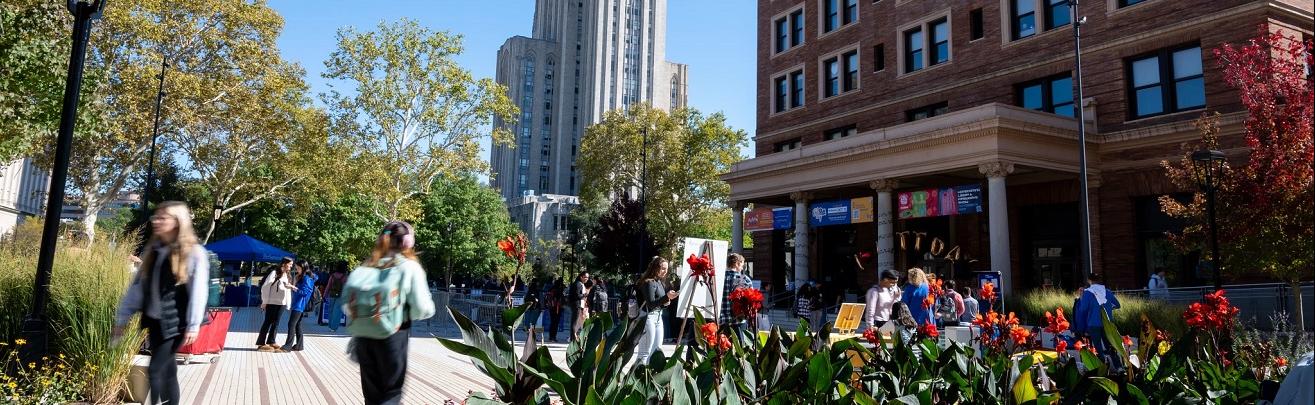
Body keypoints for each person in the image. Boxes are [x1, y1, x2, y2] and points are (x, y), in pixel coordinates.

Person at [113, 201, 210, 405]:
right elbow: (137, 288)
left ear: (177, 222)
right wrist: (122, 317)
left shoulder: (193, 252)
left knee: (156, 369)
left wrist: (193, 325)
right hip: (155, 320)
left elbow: (199, 291)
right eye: (155, 217)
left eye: (162, 217)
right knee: (167, 370)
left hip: (176, 322)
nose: (156, 221)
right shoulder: (154, 249)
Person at [346, 221, 436, 405]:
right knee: (391, 394)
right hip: (393, 335)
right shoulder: (409, 267)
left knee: (371, 396)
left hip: (364, 336)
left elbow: (348, 304)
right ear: (408, 242)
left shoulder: (368, 265)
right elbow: (423, 308)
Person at [635, 257, 680, 365]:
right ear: (656, 268)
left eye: (667, 269)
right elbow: (651, 303)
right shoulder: (649, 282)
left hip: (658, 317)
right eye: (663, 268)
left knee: (656, 350)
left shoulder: (659, 282)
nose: (665, 271)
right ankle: (636, 377)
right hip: (648, 317)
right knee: (645, 352)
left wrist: (666, 301)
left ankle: (648, 377)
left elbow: (658, 302)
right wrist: (666, 298)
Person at [1073, 273, 1123, 369]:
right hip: (1107, 324)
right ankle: (1119, 367)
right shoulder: (1107, 291)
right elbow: (1117, 305)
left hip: (1093, 323)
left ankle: (1102, 369)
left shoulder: (1087, 293)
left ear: (1089, 280)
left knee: (1098, 348)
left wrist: (1082, 297)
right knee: (1110, 346)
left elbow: (1083, 309)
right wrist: (1107, 308)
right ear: (1099, 280)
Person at [257, 258, 295, 351]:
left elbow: (287, 290)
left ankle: (271, 341)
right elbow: (265, 287)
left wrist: (288, 303)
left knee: (276, 322)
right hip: (271, 302)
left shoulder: (287, 274)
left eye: (291, 264)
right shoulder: (274, 273)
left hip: (281, 303)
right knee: (268, 321)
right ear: (284, 264)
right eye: (289, 264)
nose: (291, 266)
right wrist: (265, 301)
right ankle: (261, 343)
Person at [284, 260, 318, 351]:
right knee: (297, 325)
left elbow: (304, 292)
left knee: (291, 324)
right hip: (298, 304)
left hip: (300, 305)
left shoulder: (307, 278)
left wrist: (293, 287)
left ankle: (288, 346)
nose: (296, 269)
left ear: (303, 267)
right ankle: (299, 345)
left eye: (298, 268)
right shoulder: (302, 277)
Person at [719, 253, 752, 329]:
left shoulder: (719, 278)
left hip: (721, 319)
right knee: (739, 341)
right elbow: (750, 301)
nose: (742, 268)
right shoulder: (745, 279)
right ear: (737, 264)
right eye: (742, 265)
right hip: (739, 320)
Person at [323, 262, 348, 330]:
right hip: (341, 296)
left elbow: (328, 286)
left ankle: (330, 326)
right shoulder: (345, 277)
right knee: (337, 312)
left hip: (332, 294)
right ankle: (334, 327)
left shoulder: (333, 275)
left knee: (331, 310)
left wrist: (325, 295)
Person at [570, 272, 591, 341]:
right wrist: (585, 294)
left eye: (587, 277)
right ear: (581, 277)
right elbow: (577, 295)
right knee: (574, 322)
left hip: (578, 305)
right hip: (577, 305)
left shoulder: (580, 284)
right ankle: (573, 338)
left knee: (576, 322)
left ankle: (573, 337)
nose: (586, 279)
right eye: (585, 277)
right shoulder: (578, 284)